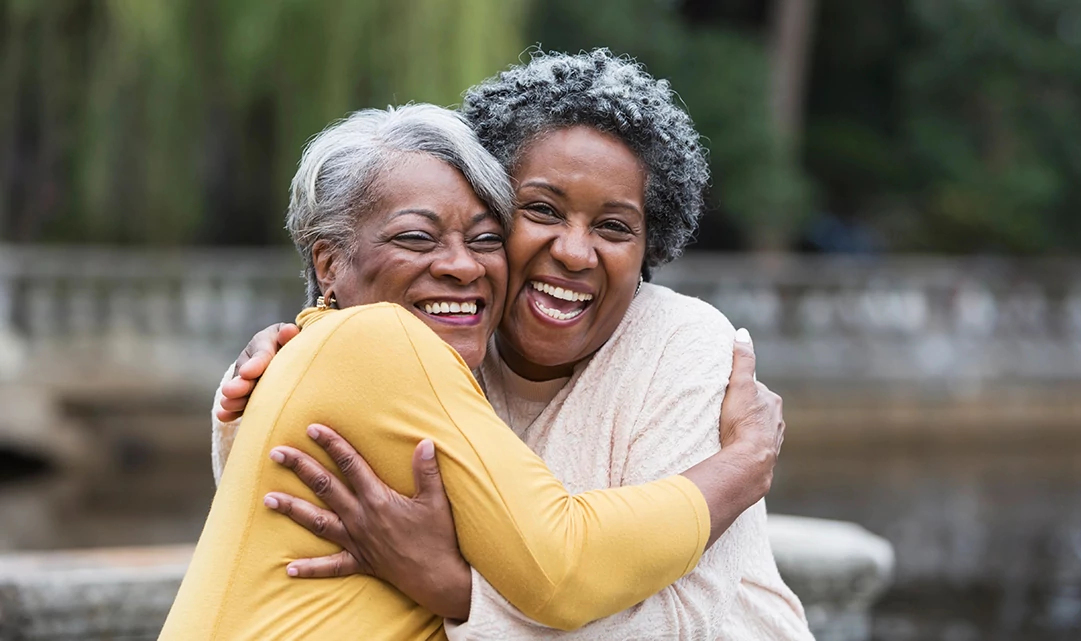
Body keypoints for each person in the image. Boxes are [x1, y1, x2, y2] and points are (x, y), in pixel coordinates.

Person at [213, 50, 813, 640]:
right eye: (542, 210)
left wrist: (451, 590)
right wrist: (279, 377)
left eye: (613, 227)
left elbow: (684, 623)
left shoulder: (683, 345)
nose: (575, 253)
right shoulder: (442, 340)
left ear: (648, 247)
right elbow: (280, 506)